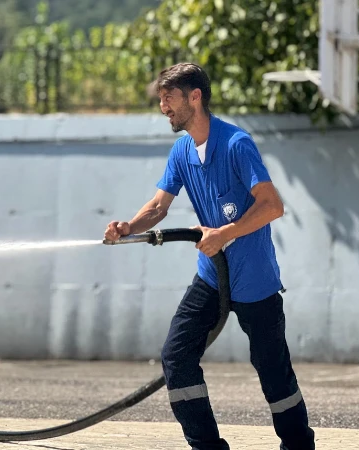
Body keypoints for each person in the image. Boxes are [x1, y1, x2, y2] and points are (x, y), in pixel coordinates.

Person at [104, 63, 316, 450]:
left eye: (169, 97)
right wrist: (128, 228)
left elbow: (272, 206)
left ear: (195, 96)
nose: (163, 106)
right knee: (176, 355)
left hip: (254, 280)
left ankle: (300, 446)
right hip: (211, 277)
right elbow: (157, 206)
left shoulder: (236, 144)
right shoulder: (182, 150)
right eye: (161, 99)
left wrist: (225, 234)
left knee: (273, 373)